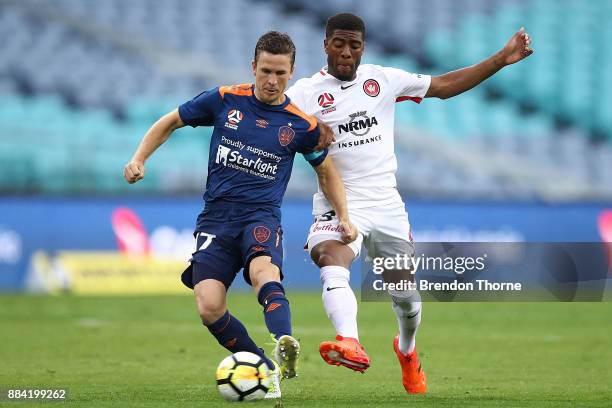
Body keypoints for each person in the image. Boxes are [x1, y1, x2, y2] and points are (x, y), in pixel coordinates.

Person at [285, 13, 533, 394]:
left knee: (406, 298)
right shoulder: (303, 94)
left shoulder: (382, 81)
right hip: (338, 203)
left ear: (362, 47)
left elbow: (445, 85)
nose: (346, 51)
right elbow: (274, 125)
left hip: (386, 206)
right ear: (325, 44)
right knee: (330, 257)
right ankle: (348, 340)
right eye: (339, 43)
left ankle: (407, 349)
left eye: (354, 44)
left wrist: (500, 59)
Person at [123, 31, 357, 399]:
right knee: (209, 306)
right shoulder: (224, 99)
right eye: (265, 71)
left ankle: (284, 342)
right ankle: (262, 366)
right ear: (253, 67)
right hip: (215, 221)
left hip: (260, 217)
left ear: (292, 73)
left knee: (262, 271)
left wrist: (343, 215)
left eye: (280, 73)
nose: (271, 80)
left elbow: (326, 171)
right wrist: (139, 158)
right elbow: (169, 121)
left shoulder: (301, 126)